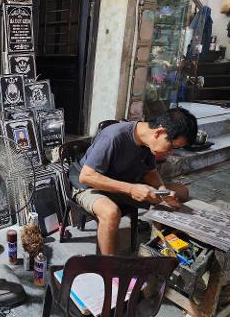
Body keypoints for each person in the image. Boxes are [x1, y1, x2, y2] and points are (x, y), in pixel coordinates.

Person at [75, 108, 197, 255]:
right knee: (111, 212)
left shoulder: (148, 142)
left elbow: (150, 173)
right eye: (172, 146)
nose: (170, 152)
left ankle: (164, 242)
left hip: (123, 182)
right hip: (90, 186)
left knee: (182, 192)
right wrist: (131, 189)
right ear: (159, 132)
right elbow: (86, 176)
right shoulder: (113, 136)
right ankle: (108, 268)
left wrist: (163, 191)